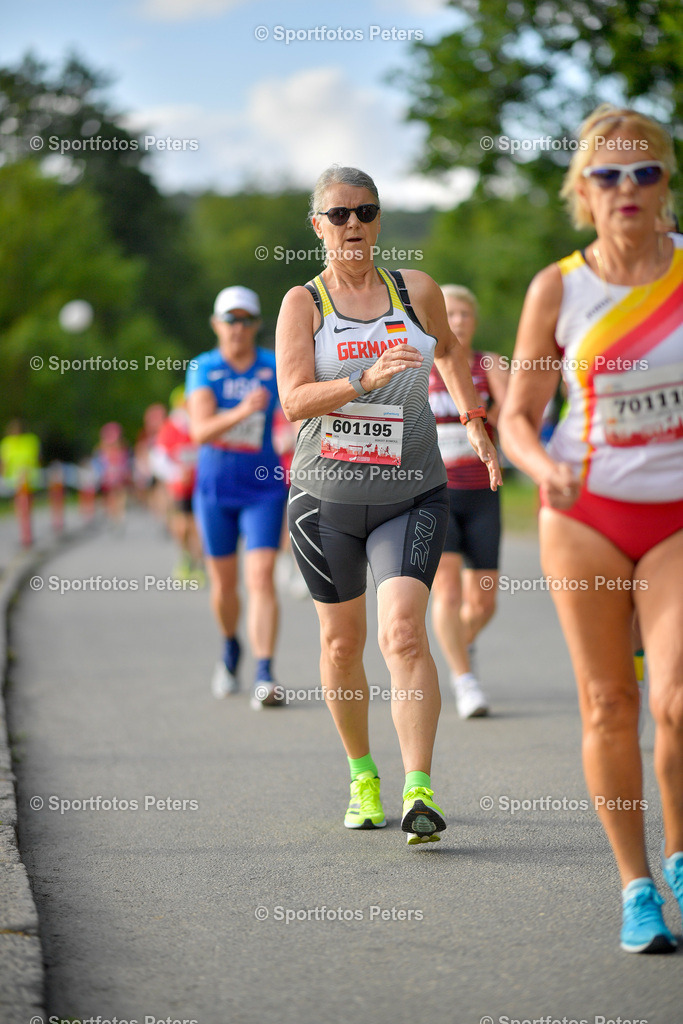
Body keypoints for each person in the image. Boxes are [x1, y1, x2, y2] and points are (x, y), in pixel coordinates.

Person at [499, 105, 683, 953]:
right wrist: (541, 470)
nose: (626, 189)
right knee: (609, 701)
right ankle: (635, 886)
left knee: (675, 698)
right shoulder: (558, 289)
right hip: (585, 513)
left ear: (665, 181)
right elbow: (517, 417)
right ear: (583, 191)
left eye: (643, 171)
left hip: (676, 512)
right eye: (607, 176)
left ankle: (679, 856)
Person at [276, 165, 501, 844]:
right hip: (325, 500)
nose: (352, 226)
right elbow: (292, 401)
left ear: (378, 220)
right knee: (341, 643)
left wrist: (473, 420)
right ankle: (362, 774)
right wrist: (360, 378)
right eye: (337, 215)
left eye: (364, 212)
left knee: (401, 633)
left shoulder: (415, 290)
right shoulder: (303, 303)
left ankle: (418, 790)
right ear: (317, 226)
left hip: (412, 493)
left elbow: (452, 354)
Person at [186, 286, 288, 709]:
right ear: (216, 324)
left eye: (246, 320)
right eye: (230, 320)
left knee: (261, 577)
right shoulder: (204, 367)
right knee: (225, 586)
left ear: (257, 325)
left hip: (264, 487)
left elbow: (293, 418)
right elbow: (200, 430)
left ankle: (265, 672)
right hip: (216, 490)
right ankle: (231, 646)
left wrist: (296, 445)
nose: (238, 328)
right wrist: (244, 411)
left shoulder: (272, 366)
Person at [428, 285, 508, 717]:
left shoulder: (488, 365)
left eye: (464, 315)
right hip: (437, 494)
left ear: (474, 321)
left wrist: (490, 404)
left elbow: (514, 414)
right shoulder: (419, 367)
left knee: (484, 602)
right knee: (448, 591)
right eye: (449, 314)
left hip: (484, 492)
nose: (457, 321)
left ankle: (458, 644)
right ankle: (464, 681)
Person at [151, 386, 204, 584]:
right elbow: (158, 459)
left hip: (200, 485)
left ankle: (198, 564)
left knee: (197, 527)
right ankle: (185, 558)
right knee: (182, 527)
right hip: (180, 488)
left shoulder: (200, 422)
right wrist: (176, 473)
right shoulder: (170, 427)